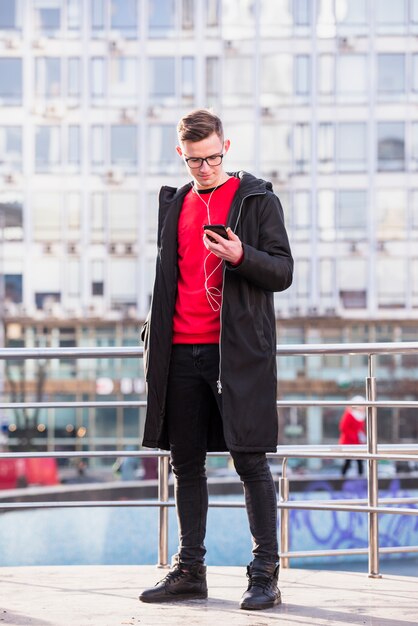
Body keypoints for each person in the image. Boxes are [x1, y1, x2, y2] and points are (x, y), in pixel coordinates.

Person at [139, 109, 293, 611]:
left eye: (211, 158)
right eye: (193, 160)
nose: (203, 168)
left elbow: (283, 271)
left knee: (249, 458)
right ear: (178, 152)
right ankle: (191, 570)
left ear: (227, 146)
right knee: (185, 464)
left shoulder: (256, 198)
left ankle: (265, 573)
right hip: (180, 351)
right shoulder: (175, 203)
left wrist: (241, 255)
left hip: (237, 355)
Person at [338, 396, 367, 477]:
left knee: (360, 461)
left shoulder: (361, 416)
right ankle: (342, 478)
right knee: (348, 461)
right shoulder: (349, 415)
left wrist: (362, 435)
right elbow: (343, 427)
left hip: (357, 443)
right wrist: (355, 436)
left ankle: (360, 477)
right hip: (349, 442)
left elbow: (360, 429)